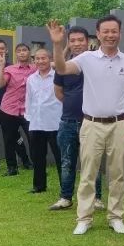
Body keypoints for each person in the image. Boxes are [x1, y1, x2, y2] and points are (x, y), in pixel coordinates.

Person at [49, 16, 124, 235]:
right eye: (105, 31)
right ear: (98, 34)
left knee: (117, 174)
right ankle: (84, 218)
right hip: (91, 124)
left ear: (120, 33)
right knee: (88, 173)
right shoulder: (87, 58)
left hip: (120, 124)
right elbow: (61, 68)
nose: (110, 35)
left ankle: (116, 217)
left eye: (114, 31)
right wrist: (57, 44)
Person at [50, 25, 104, 211]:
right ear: (68, 43)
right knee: (67, 162)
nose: (77, 44)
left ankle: (96, 198)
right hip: (68, 121)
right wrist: (72, 103)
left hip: (92, 121)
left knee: (93, 162)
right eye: (72, 41)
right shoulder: (63, 66)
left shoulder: (97, 64)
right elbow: (58, 92)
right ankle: (66, 197)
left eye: (80, 40)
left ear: (88, 41)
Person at [0, 39, 29, 172]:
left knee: (14, 137)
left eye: (2, 48)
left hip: (9, 110)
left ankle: (25, 161)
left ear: (7, 50)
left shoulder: (12, 67)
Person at [24, 46, 64, 195]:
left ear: (50, 59)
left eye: (44, 58)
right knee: (37, 156)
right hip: (36, 123)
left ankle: (65, 187)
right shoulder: (31, 79)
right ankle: (39, 185)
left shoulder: (58, 76)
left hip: (55, 122)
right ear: (34, 61)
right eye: (37, 59)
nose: (40, 61)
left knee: (60, 157)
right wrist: (29, 117)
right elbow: (29, 99)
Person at [0, 42, 37, 177]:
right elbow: (0, 84)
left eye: (24, 50)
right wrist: (1, 66)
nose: (22, 53)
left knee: (34, 139)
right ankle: (12, 168)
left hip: (28, 110)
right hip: (9, 109)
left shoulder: (36, 68)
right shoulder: (10, 69)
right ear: (16, 54)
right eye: (19, 51)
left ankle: (38, 167)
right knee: (9, 139)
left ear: (29, 53)